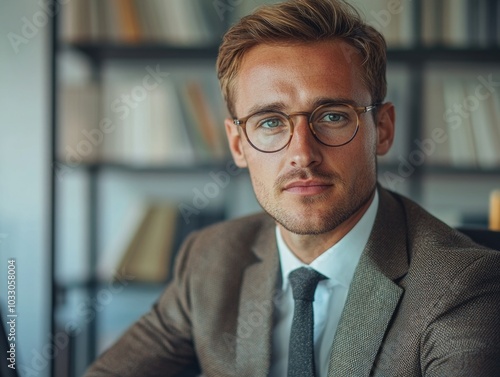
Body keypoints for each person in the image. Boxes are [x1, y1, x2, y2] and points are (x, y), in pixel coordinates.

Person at [85, 0, 500, 376]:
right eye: (269, 122)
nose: (302, 153)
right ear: (237, 144)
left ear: (383, 129)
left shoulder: (460, 285)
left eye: (333, 116)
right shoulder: (209, 260)